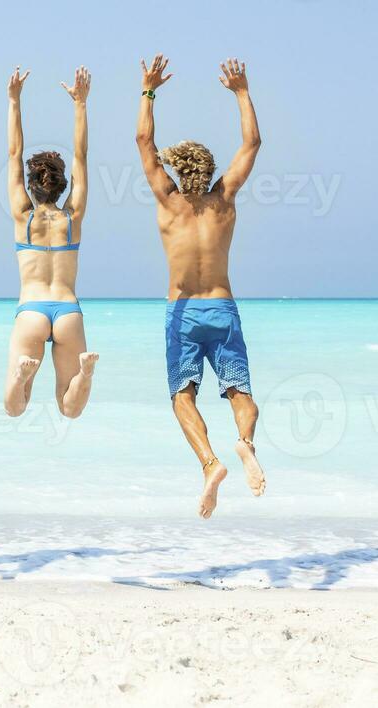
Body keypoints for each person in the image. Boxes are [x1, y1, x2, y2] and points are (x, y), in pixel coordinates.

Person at [136, 54, 266, 519]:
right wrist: (242, 91)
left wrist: (149, 89)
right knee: (240, 393)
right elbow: (252, 143)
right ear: (210, 172)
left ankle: (210, 465)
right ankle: (245, 443)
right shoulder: (224, 200)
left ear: (178, 169)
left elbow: (143, 139)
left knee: (182, 396)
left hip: (183, 311)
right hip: (223, 308)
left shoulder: (168, 201)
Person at [3, 66, 99, 418]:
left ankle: (20, 378)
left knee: (15, 407)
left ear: (32, 186)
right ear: (61, 187)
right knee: (69, 408)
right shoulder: (72, 218)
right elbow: (81, 158)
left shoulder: (21, 216)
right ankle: (85, 374)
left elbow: (14, 154)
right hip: (67, 310)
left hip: (31, 309)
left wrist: (14, 100)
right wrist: (80, 104)